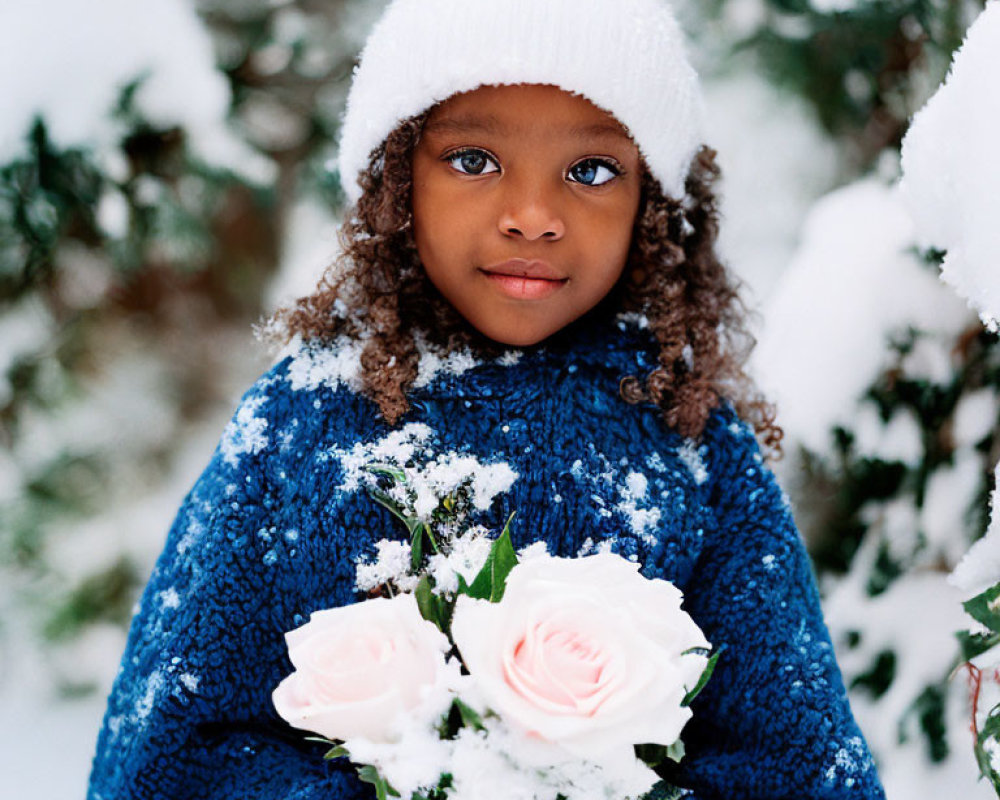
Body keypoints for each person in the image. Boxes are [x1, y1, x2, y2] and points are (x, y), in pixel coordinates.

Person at [87, 0, 886, 798]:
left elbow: (796, 758)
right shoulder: (299, 425)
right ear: (397, 178)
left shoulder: (685, 435)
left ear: (652, 202)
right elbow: (173, 751)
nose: (533, 217)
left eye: (591, 171)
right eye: (473, 160)